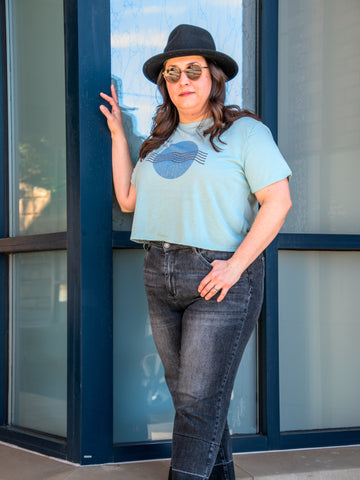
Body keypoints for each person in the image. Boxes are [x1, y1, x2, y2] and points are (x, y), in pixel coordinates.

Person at [100, 23, 292, 480]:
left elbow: (278, 201)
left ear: (213, 79)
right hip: (158, 273)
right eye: (172, 73)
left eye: (193, 70)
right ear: (165, 84)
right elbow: (129, 200)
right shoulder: (157, 144)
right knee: (191, 396)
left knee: (197, 400)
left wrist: (234, 268)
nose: (183, 80)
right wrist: (118, 138)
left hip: (218, 276)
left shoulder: (244, 132)